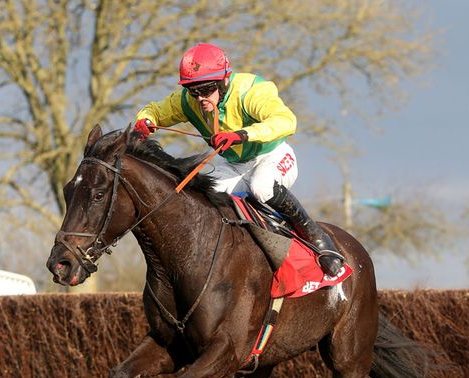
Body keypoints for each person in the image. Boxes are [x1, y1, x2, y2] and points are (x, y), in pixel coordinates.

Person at [133, 43, 344, 277]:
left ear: (225, 79)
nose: (201, 98)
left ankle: (316, 236)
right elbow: (155, 111)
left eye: (207, 89)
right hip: (233, 165)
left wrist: (241, 135)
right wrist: (145, 122)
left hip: (272, 155)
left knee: (260, 187)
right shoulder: (188, 100)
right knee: (199, 198)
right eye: (194, 91)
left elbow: (287, 121)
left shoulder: (251, 90)